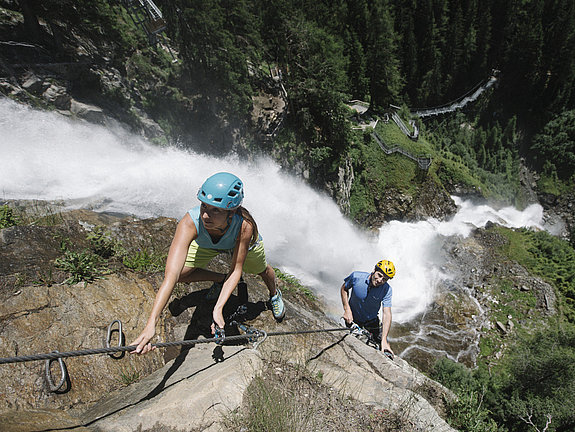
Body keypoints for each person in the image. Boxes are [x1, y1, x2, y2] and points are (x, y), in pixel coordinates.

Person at [132, 172, 285, 354]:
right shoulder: (190, 222)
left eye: (215, 210)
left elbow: (236, 270)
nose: (205, 215)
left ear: (231, 212)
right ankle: (220, 280)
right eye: (204, 206)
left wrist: (218, 309)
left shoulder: (244, 226)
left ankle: (275, 294)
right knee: (180, 274)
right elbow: (170, 276)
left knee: (260, 269)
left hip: (243, 245)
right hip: (208, 243)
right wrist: (151, 324)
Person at [340, 260, 396, 356]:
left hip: (372, 321)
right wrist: (347, 309)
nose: (380, 280)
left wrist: (384, 340)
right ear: (374, 270)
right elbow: (344, 288)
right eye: (379, 275)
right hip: (353, 319)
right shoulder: (356, 277)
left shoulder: (386, 289)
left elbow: (387, 313)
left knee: (385, 348)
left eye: (385, 279)